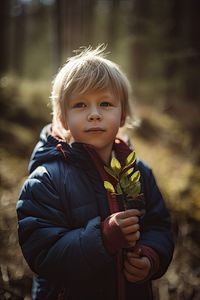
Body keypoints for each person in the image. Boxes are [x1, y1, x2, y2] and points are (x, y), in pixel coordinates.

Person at [16, 45, 174, 300]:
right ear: (63, 118)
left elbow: (160, 226)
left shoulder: (139, 173)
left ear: (122, 114)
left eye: (105, 103)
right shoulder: (46, 180)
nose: (94, 114)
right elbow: (43, 253)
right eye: (80, 105)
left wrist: (150, 257)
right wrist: (103, 237)